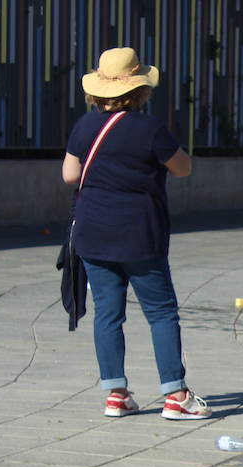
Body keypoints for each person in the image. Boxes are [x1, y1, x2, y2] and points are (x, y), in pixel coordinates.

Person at [61, 47, 209, 421]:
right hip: (140, 235)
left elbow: (69, 175)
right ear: (139, 88)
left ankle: (116, 394)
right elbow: (183, 169)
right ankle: (175, 396)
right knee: (160, 313)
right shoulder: (149, 129)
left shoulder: (84, 126)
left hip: (93, 233)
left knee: (107, 315)